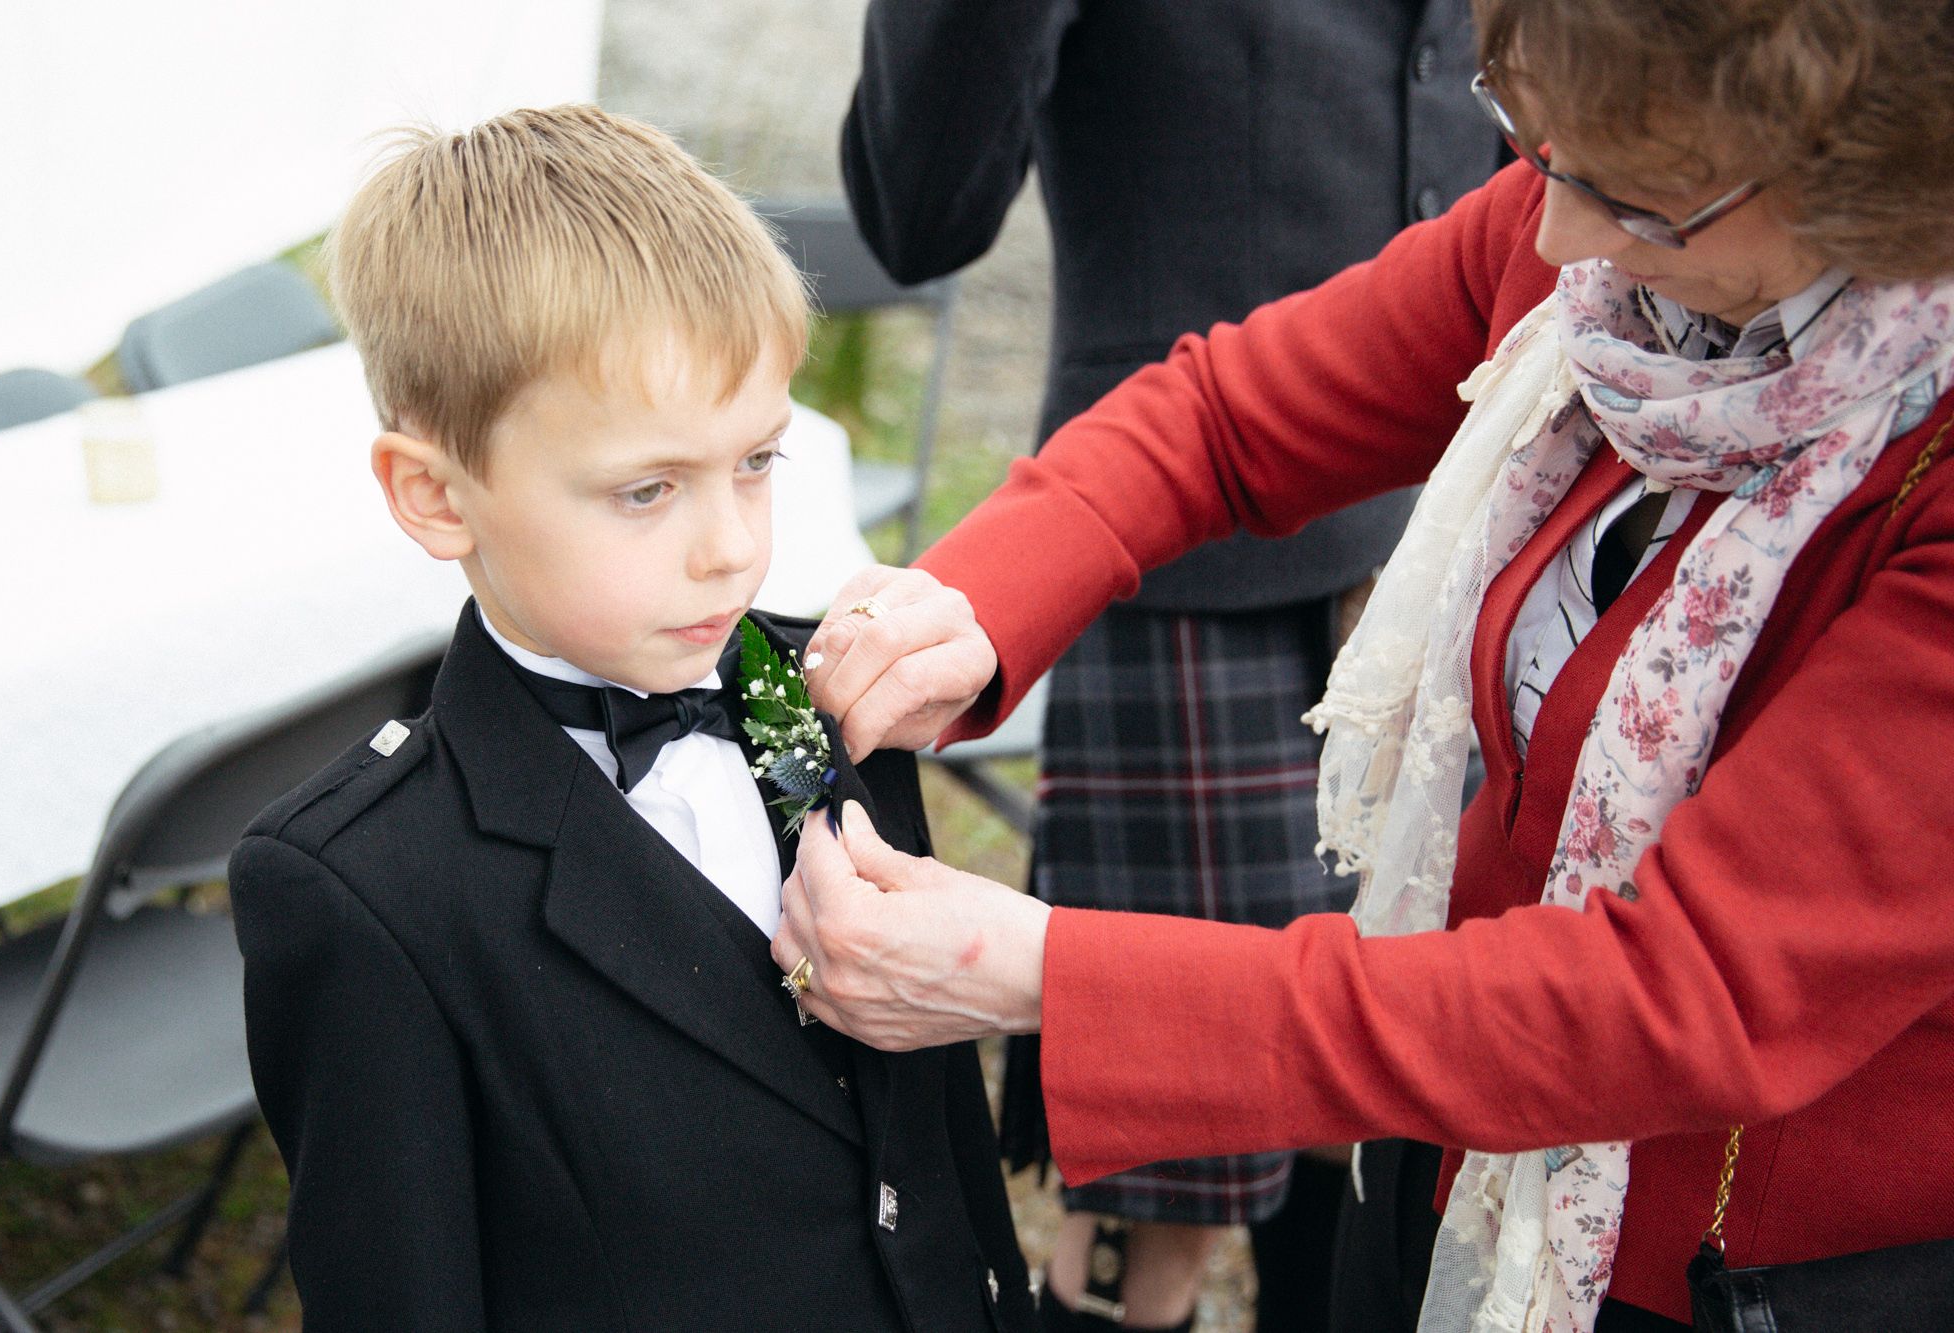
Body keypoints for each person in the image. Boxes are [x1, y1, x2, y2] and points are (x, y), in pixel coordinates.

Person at [777, 1, 1954, 1328]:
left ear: (1873, 184)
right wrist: (978, 601)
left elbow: (1676, 996)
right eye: (1535, 138)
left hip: (1725, 1279)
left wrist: (1052, 973)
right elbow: (1232, 416)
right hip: (1445, 1158)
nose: (1556, 232)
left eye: (1646, 198)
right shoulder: (1601, 243)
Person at [226, 105, 1034, 1332]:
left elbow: (928, 1142)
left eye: (756, 462)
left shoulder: (823, 693)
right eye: (647, 489)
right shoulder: (365, 892)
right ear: (436, 496)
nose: (731, 550)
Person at [840, 5, 1501, 1328]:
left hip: (1474, 530)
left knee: (1400, 1136)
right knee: (1163, 1197)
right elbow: (920, 210)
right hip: (1180, 555)